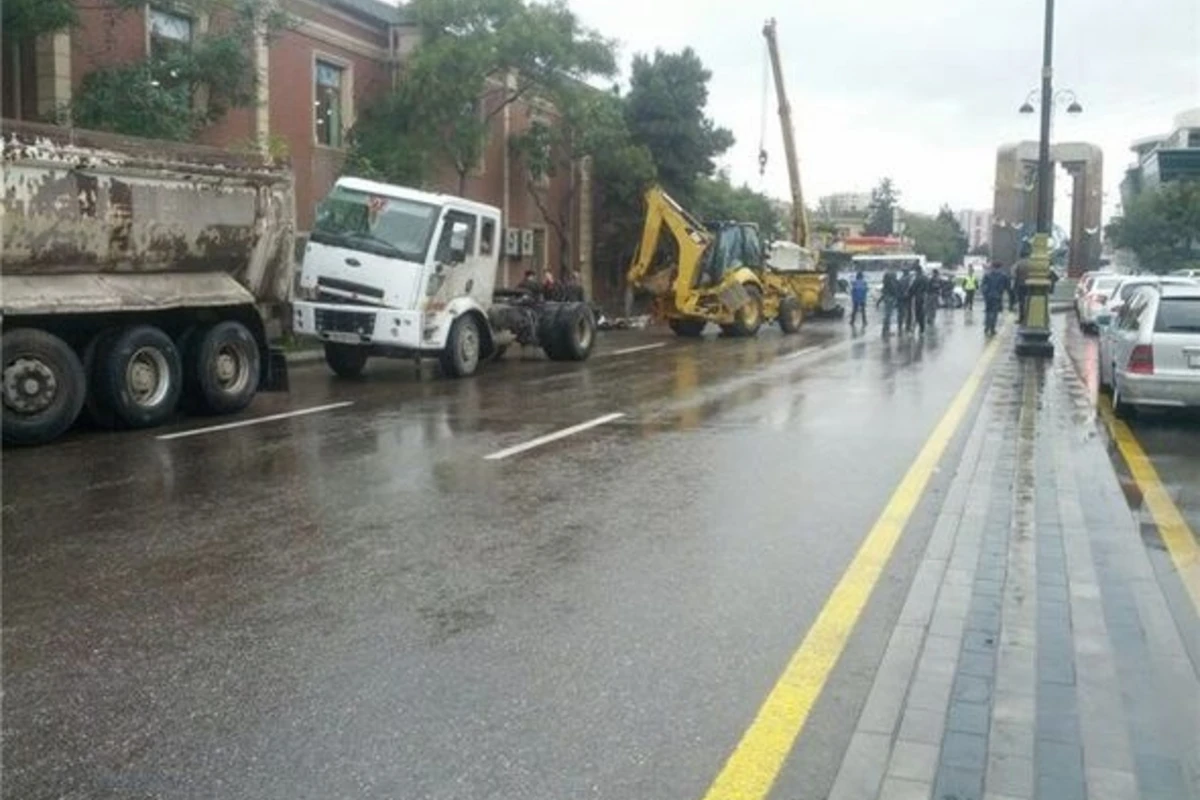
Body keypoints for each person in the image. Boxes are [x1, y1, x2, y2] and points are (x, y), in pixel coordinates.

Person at [981, 261, 1011, 337]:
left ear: (992, 267)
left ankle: (987, 327)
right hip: (997, 296)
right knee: (994, 313)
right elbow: (1007, 287)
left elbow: (983, 286)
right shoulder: (1003, 276)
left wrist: (985, 294)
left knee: (988, 311)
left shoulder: (987, 275)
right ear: (1000, 267)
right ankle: (992, 328)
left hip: (988, 296)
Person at [877, 268, 901, 337]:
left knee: (887, 315)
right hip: (890, 299)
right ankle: (886, 331)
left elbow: (883, 294)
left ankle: (885, 330)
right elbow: (894, 291)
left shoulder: (885, 284)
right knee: (888, 315)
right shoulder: (891, 283)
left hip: (887, 299)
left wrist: (878, 302)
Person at [910, 265, 929, 335]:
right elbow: (928, 287)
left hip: (918, 297)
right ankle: (922, 329)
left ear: (917, 271)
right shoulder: (926, 278)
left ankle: (914, 329)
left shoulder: (917, 278)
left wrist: (908, 295)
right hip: (925, 297)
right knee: (923, 313)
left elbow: (912, 288)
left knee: (917, 313)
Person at [898, 267, 915, 334]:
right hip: (908, 298)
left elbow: (898, 288)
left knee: (901, 313)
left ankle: (900, 326)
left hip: (901, 298)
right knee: (909, 312)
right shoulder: (909, 279)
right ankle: (907, 326)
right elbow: (911, 288)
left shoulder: (901, 279)